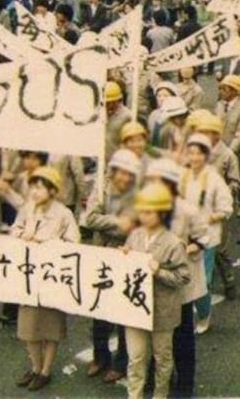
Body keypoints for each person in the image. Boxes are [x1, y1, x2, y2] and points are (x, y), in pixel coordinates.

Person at [12, 167, 79, 392]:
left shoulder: (64, 214)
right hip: (29, 275)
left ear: (52, 190)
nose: (35, 191)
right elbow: (14, 229)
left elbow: (73, 243)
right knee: (28, 327)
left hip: (52, 277)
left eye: (40, 187)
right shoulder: (27, 208)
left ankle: (46, 370)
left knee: (50, 327)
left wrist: (45, 242)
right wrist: (22, 236)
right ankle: (35, 365)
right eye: (33, 186)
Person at [144, 158, 207, 398]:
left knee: (181, 338)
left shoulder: (187, 209)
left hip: (181, 282)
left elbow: (204, 238)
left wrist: (187, 248)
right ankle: (157, 378)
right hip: (155, 281)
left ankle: (184, 386)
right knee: (155, 334)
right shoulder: (147, 206)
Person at [123, 183, 190, 399]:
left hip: (163, 310)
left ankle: (160, 395)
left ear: (161, 213)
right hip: (136, 309)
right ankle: (135, 395)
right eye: (141, 211)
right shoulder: (134, 237)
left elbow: (183, 277)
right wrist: (123, 257)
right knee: (135, 358)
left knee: (162, 358)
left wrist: (159, 271)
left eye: (148, 212)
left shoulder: (173, 242)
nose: (143, 216)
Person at [82, 149, 139, 383]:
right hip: (102, 254)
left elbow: (135, 225)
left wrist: (115, 226)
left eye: (129, 174)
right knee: (99, 309)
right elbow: (90, 218)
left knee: (124, 310)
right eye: (120, 173)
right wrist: (116, 222)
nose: (124, 178)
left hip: (127, 255)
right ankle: (100, 355)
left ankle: (121, 361)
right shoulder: (102, 189)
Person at [179, 134, 233, 334]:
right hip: (183, 235)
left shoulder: (213, 177)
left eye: (198, 153)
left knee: (203, 281)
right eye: (190, 153)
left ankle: (204, 316)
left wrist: (212, 217)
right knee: (182, 277)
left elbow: (227, 207)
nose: (193, 158)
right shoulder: (181, 174)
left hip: (206, 238)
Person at [195, 114, 240, 300]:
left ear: (217, 134)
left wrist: (223, 192)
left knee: (220, 247)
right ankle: (203, 286)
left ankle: (229, 280)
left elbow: (235, 181)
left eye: (207, 133)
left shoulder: (228, 155)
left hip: (219, 208)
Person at [105, 82, 132, 162]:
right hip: (101, 162)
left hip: (118, 161)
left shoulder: (127, 116)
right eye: (107, 102)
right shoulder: (100, 113)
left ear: (118, 100)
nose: (109, 105)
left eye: (111, 102)